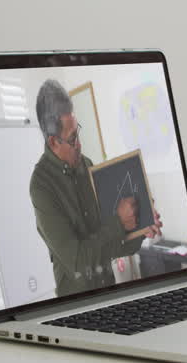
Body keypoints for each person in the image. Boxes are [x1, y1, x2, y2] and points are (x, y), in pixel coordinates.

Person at [30, 79, 161, 297]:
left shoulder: (87, 166)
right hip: (75, 306)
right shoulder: (40, 186)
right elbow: (79, 261)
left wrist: (141, 229)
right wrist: (119, 222)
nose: (79, 144)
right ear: (53, 142)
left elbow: (111, 246)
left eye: (77, 132)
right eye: (72, 139)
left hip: (108, 293)